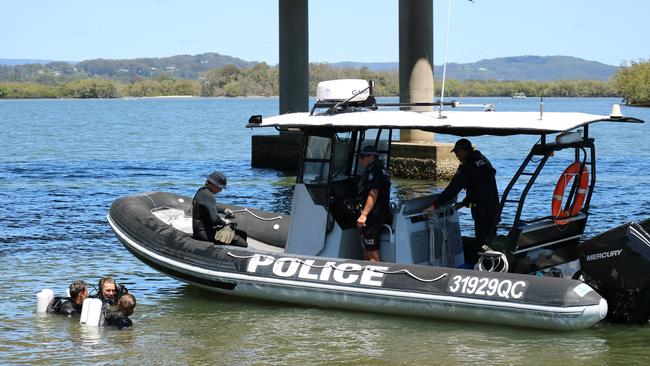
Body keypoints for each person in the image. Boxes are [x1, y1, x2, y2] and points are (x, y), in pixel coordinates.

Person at [431, 138, 500, 265]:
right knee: (490, 238)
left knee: (482, 241)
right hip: (494, 207)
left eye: (457, 152)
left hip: (483, 210)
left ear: (463, 151)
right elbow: (480, 185)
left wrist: (435, 204)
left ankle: (486, 267)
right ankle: (492, 263)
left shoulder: (467, 166)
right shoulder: (482, 159)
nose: (456, 156)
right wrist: (464, 202)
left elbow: (453, 188)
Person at [192, 171, 248, 248]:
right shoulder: (209, 196)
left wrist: (224, 210)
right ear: (213, 184)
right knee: (242, 242)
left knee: (242, 234)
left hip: (201, 230)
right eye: (220, 187)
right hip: (204, 232)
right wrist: (225, 222)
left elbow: (210, 206)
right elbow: (215, 219)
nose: (221, 190)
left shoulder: (202, 191)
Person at [356, 146, 391, 262]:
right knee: (366, 247)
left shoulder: (374, 170)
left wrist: (364, 214)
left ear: (371, 156)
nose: (360, 161)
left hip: (373, 216)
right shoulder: (380, 169)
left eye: (362, 157)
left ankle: (373, 273)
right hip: (378, 214)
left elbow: (374, 192)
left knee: (372, 253)